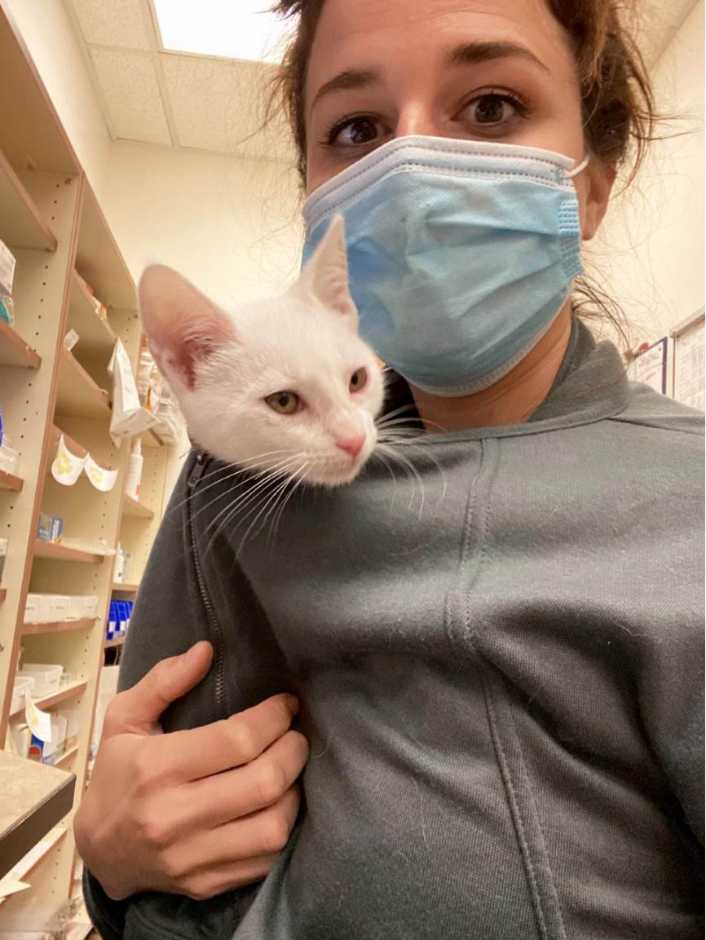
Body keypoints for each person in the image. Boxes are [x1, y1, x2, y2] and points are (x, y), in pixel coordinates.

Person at [76, 0, 705, 937]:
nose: (408, 171)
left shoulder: (684, 501)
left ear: (590, 184)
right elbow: (157, 838)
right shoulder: (230, 489)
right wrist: (113, 862)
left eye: (490, 106)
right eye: (357, 129)